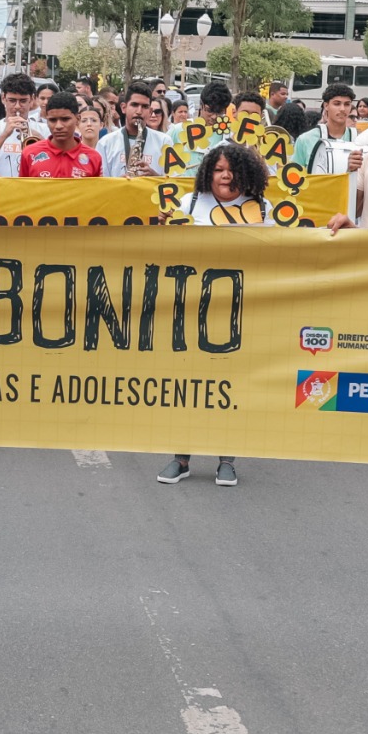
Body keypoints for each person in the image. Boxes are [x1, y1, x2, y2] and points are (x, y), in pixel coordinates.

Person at [157, 143, 273, 488]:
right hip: (192, 307)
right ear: (208, 172)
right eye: (219, 169)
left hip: (241, 309)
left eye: (232, 169)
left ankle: (227, 459)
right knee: (187, 384)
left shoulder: (263, 209)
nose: (226, 175)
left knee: (232, 386)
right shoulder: (190, 204)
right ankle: (181, 458)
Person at [0, 73, 48, 178]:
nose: (17, 106)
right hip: (1, 191)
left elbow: (55, 165)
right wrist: (4, 135)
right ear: (3, 98)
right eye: (12, 100)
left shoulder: (44, 129)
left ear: (31, 99)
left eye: (23, 101)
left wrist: (41, 141)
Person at [19, 92, 102, 178]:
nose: (58, 126)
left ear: (78, 119)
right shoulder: (29, 154)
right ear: (47, 121)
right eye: (53, 120)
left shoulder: (93, 157)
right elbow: (23, 189)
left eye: (65, 119)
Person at [290, 83, 365, 176]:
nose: (342, 109)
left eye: (347, 104)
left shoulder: (360, 140)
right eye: (337, 104)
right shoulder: (305, 140)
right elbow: (293, 178)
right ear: (326, 106)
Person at [96, 81, 165, 178]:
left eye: (145, 106)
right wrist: (118, 184)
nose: (139, 111)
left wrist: (155, 177)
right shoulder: (105, 143)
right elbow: (100, 185)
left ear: (150, 112)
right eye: (134, 105)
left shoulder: (164, 141)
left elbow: (173, 183)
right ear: (124, 108)